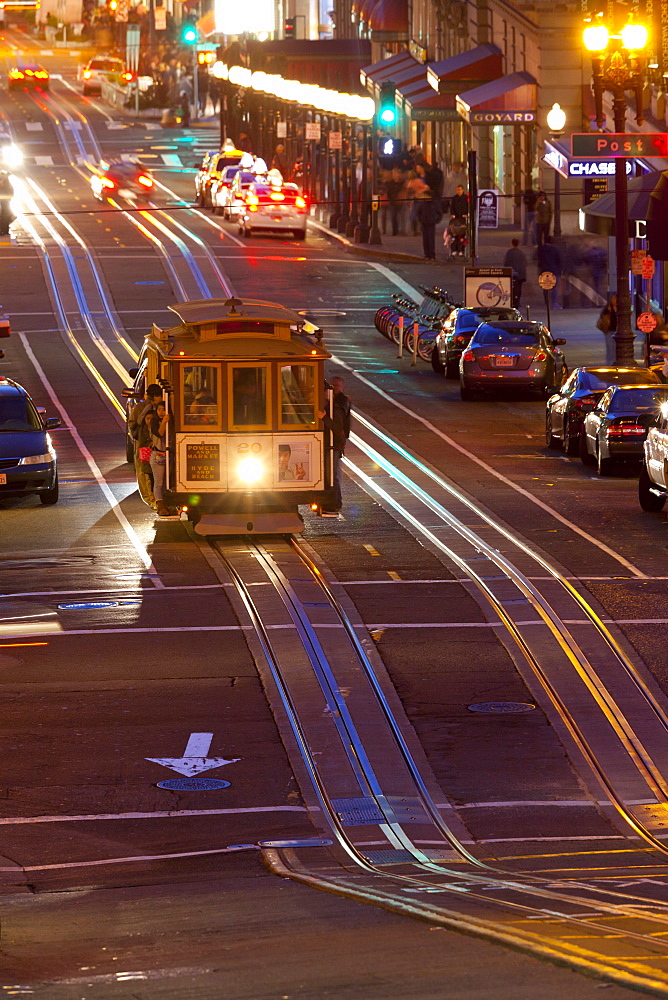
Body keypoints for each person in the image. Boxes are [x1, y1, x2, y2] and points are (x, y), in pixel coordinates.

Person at [318, 376, 351, 515]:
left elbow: (338, 427)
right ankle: (332, 501)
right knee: (331, 472)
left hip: (334, 444)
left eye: (337, 386)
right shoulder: (336, 403)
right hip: (333, 443)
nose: (334, 388)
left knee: (332, 473)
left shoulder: (338, 405)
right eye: (333, 386)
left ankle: (334, 502)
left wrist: (323, 418)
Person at [128, 383, 163, 510]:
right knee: (144, 470)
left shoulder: (161, 406)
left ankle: (157, 497)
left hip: (157, 442)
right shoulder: (141, 407)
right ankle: (150, 498)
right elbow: (133, 424)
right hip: (143, 444)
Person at [148, 399, 171, 518]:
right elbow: (160, 433)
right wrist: (164, 422)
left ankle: (168, 504)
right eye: (159, 410)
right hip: (158, 455)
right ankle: (160, 505)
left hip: (169, 454)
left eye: (164, 409)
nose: (161, 412)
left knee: (168, 481)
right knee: (159, 482)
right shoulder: (155, 422)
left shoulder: (172, 422)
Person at [537, 237, 562, 308]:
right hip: (553, 270)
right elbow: (559, 260)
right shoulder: (555, 249)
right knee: (554, 287)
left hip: (544, 270)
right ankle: (554, 303)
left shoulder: (541, 249)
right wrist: (559, 271)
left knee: (545, 287)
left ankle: (546, 303)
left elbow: (539, 259)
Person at [504, 238, 527, 307]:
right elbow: (525, 263)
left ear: (512, 243)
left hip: (512, 273)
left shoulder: (509, 252)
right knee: (519, 288)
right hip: (521, 274)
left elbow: (506, 263)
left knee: (512, 288)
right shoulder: (521, 252)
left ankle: (513, 301)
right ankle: (518, 301)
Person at [597, 294, 617, 364]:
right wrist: (609, 311)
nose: (614, 300)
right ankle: (609, 362)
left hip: (617, 330)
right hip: (609, 330)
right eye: (613, 298)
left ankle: (614, 362)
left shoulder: (620, 307)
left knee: (616, 348)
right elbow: (602, 316)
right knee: (610, 348)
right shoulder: (608, 307)